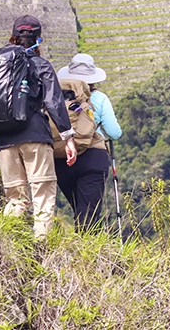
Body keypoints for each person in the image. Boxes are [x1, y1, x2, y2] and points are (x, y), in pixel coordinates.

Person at [0, 16, 77, 238]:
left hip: (4, 138)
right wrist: (68, 138)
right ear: (37, 40)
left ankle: (5, 244)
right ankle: (41, 247)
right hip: (35, 136)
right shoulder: (41, 65)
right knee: (42, 194)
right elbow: (54, 102)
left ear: (13, 35)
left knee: (15, 198)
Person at [55, 53, 122, 231]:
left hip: (62, 158)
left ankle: (81, 247)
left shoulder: (57, 97)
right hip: (93, 157)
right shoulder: (100, 98)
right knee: (89, 214)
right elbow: (114, 133)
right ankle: (89, 251)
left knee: (78, 208)